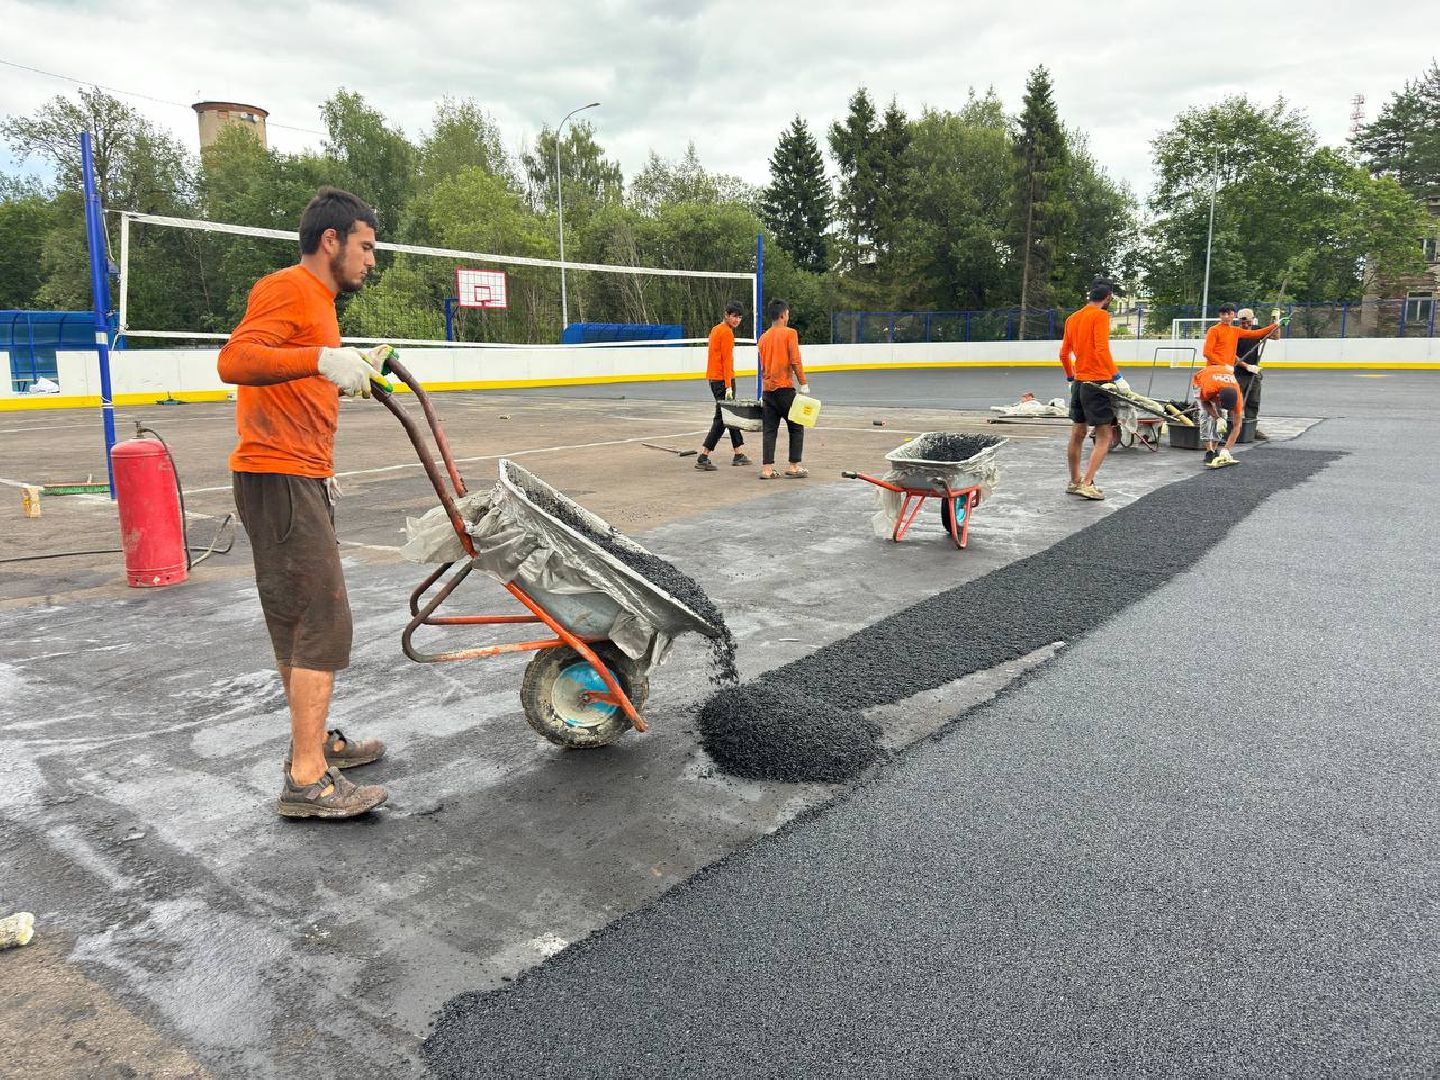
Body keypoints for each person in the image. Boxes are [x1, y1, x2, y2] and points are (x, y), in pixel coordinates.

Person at [218, 187, 391, 820]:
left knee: (300, 616)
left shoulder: (319, 302)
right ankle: (308, 779)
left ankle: (314, 743)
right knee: (321, 618)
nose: (370, 261)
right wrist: (322, 358)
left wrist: (343, 370)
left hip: (298, 476)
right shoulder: (289, 286)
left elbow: (291, 374)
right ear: (332, 240)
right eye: (366, 247)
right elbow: (235, 359)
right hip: (279, 476)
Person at [1058, 279, 1120, 500]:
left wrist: (1070, 377)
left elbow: (1064, 353)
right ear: (1108, 297)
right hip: (1098, 382)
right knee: (1105, 435)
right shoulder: (1101, 316)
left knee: (1077, 433)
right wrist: (1117, 376)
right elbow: (1102, 349)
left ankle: (1074, 481)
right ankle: (1088, 482)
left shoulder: (1073, 318)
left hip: (1079, 382)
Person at [756, 298, 810, 480]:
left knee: (769, 430)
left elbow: (763, 365)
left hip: (768, 390)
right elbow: (795, 360)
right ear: (782, 315)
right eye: (787, 313)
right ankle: (794, 465)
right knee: (796, 426)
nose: (788, 316)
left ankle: (767, 468)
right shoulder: (790, 333)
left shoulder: (763, 338)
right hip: (785, 389)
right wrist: (803, 382)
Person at [695, 302, 751, 470]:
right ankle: (704, 455)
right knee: (723, 418)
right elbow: (726, 361)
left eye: (740, 317)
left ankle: (739, 453)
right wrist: (728, 386)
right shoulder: (726, 333)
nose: (737, 320)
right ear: (726, 314)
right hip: (723, 380)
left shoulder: (716, 329)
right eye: (734, 316)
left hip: (714, 378)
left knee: (729, 415)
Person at [1192, 360, 1245, 467]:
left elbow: (1237, 426)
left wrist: (1227, 449)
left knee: (1223, 417)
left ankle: (1216, 448)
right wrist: (1216, 417)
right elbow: (1205, 403)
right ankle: (1209, 450)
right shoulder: (1208, 389)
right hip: (1201, 380)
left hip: (1222, 379)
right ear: (1218, 399)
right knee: (1205, 416)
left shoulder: (1238, 398)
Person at [1233, 308, 1269, 440]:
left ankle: (1251, 428)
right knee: (1236, 402)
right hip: (1238, 373)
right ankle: (1235, 427)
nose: (1246, 325)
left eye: (1249, 322)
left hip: (1254, 374)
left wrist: (1276, 321)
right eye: (1243, 323)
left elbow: (1276, 336)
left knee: (1253, 401)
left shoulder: (1257, 329)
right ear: (1239, 322)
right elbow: (1232, 355)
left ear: (1253, 319)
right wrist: (1246, 366)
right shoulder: (1235, 332)